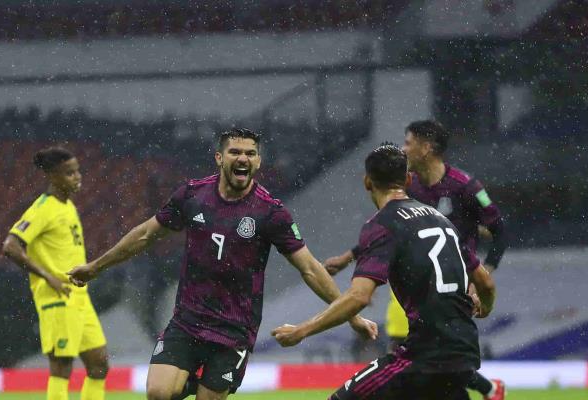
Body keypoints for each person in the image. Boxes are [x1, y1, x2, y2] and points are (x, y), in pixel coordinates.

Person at [67, 128, 377, 400]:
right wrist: (96, 267)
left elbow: (309, 268)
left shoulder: (271, 212)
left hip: (234, 330)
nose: (243, 158)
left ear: (258, 162)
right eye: (235, 152)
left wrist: (350, 316)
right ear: (219, 157)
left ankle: (194, 381)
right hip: (188, 320)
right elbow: (146, 234)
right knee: (158, 393)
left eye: (250, 154)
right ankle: (186, 378)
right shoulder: (192, 195)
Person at [272, 143, 496, 399]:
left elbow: (359, 297)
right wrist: (485, 306)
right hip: (464, 354)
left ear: (367, 182)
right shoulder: (440, 219)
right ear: (409, 179)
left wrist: (302, 330)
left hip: (422, 356)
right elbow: (485, 283)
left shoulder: (383, 224)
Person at [324, 120, 507, 399]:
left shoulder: (467, 187)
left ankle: (488, 388)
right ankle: (487, 388)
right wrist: (349, 257)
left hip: (456, 283)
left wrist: (482, 275)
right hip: (417, 279)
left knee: (426, 353)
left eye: (408, 142)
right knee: (427, 353)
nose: (403, 148)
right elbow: (393, 231)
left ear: (427, 147)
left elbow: (500, 231)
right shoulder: (412, 189)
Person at [2, 147, 109, 400]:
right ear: (52, 176)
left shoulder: (68, 206)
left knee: (99, 365)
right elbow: (11, 246)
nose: (77, 177)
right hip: (57, 297)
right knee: (61, 368)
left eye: (77, 171)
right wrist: (47, 276)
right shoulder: (43, 209)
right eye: (69, 173)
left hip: (79, 298)